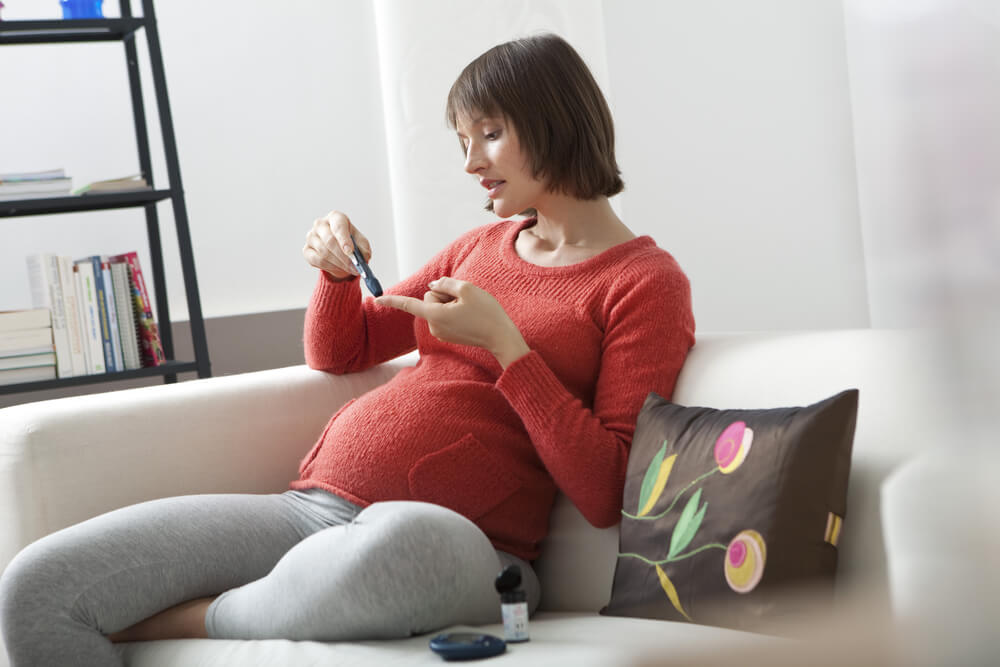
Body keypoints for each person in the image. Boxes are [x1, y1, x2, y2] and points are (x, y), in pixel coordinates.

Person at [0, 33, 694, 666]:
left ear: (555, 121)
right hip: (311, 512)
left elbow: (608, 491)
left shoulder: (643, 283)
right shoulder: (482, 248)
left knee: (399, 541)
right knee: (37, 585)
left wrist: (509, 349)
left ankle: (184, 621)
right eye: (461, 141)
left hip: (469, 547)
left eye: (489, 134)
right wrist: (335, 272)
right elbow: (344, 348)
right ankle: (275, 598)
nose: (470, 162)